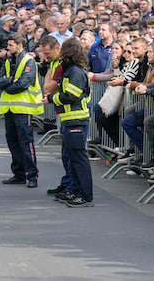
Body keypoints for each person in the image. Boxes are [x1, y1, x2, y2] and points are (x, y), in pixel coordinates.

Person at [45, 38, 93, 207]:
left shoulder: (75, 72)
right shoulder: (71, 70)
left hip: (76, 120)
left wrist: (52, 98)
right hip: (70, 120)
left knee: (79, 160)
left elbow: (70, 96)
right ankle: (76, 191)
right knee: (73, 160)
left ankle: (85, 196)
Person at [0, 35, 43, 188]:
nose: (8, 48)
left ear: (19, 45)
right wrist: (10, 81)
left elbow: (23, 83)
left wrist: (7, 86)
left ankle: (32, 175)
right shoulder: (9, 61)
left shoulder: (28, 61)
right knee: (13, 141)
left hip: (23, 108)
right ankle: (19, 173)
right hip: (10, 108)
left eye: (10, 45)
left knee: (25, 142)